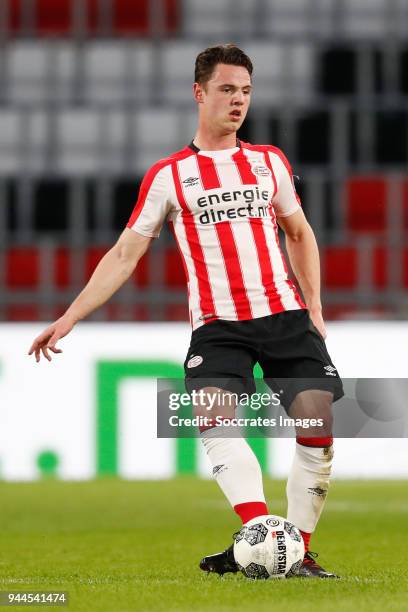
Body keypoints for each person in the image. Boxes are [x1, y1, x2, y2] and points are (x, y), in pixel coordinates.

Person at [29, 44, 343, 578]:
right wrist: (70, 315)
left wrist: (313, 306)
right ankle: (258, 538)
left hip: (285, 314)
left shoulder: (270, 161)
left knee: (319, 426)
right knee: (215, 419)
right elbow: (126, 252)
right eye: (226, 90)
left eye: (245, 91)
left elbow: (299, 232)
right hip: (219, 326)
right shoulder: (169, 175)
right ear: (199, 93)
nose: (237, 100)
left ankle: (295, 552)